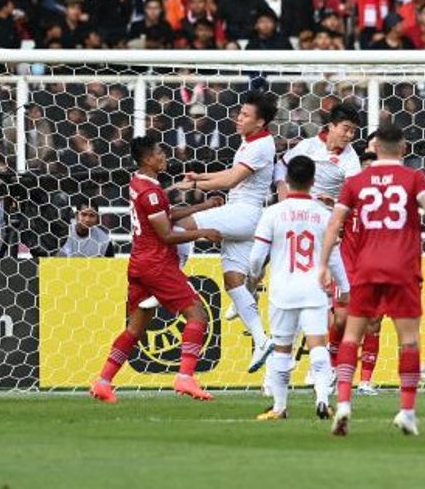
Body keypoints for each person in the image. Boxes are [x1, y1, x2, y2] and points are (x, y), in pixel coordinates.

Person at [318, 123, 425, 436]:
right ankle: (406, 411)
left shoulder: (356, 181)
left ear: (374, 149)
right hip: (403, 268)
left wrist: (322, 264)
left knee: (351, 336)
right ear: (402, 148)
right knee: (409, 340)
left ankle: (344, 402)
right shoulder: (414, 177)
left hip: (365, 267)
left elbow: (335, 224)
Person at [89, 136, 221, 403]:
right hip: (157, 264)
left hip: (139, 262)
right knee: (197, 315)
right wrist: (203, 232)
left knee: (135, 329)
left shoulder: (139, 183)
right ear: (148, 159)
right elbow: (166, 234)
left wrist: (203, 206)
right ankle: (185, 377)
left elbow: (164, 214)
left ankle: (103, 381)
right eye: (160, 152)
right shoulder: (150, 192)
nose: (165, 156)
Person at [170, 91, 278, 372]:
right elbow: (230, 173)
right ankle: (261, 339)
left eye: (245, 116)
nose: (238, 118)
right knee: (233, 281)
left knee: (180, 224)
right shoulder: (250, 142)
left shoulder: (261, 146)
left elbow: (231, 180)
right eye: (239, 113)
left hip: (244, 213)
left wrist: (193, 187)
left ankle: (171, 280)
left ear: (261, 122)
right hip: (241, 215)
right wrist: (200, 176)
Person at [251, 155, 342, 421]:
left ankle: (279, 407)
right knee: (318, 345)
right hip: (313, 289)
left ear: (287, 180)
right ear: (313, 181)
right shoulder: (324, 215)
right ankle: (323, 400)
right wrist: (344, 288)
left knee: (282, 348)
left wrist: (254, 277)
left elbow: (257, 256)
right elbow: (334, 257)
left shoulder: (272, 213)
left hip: (282, 289)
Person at [274, 103, 360, 366]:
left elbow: (354, 196)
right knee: (293, 287)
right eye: (345, 129)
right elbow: (281, 167)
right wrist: (283, 196)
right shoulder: (307, 147)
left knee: (332, 299)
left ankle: (321, 363)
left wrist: (334, 205)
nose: (348, 136)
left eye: (353, 132)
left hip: (325, 228)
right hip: (296, 220)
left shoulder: (350, 159)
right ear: (331, 127)